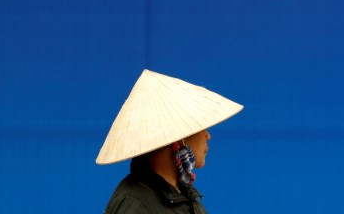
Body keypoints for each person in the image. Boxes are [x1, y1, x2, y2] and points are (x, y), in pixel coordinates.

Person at [97, 69, 243, 214]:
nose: (208, 135)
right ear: (180, 139)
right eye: (201, 127)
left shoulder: (185, 197)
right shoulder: (133, 202)